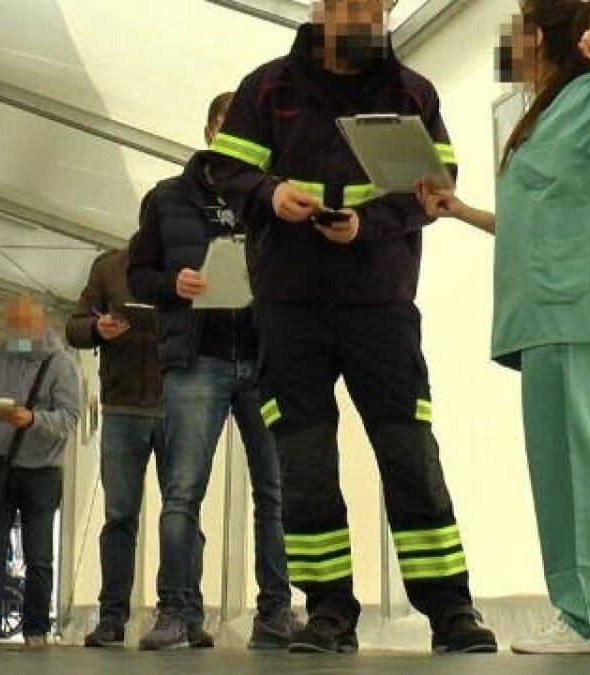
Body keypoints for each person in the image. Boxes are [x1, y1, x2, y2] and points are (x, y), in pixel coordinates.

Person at [203, 0, 497, 654]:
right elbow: (227, 170)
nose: (363, 16)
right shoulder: (267, 88)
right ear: (320, 8)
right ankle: (328, 610)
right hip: (289, 305)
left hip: (380, 303)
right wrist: (272, 196)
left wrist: (371, 224)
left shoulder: (412, 92)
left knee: (410, 453)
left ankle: (451, 608)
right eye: (349, 4)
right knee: (304, 462)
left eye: (375, 5)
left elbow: (437, 184)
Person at [415, 0, 590, 654]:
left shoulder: (588, 94)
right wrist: (462, 210)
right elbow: (534, 221)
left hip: (568, 308)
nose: (510, 40)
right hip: (560, 308)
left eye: (520, 27)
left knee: (567, 461)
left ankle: (588, 616)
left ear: (544, 36)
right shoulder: (549, 111)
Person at [127, 93, 299, 651]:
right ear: (208, 131)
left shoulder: (275, 198)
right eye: (227, 129)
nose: (236, 140)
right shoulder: (167, 200)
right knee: (182, 490)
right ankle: (177, 612)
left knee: (276, 492)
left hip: (266, 359)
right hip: (197, 359)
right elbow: (137, 276)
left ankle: (275, 612)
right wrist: (171, 284)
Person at [0, 295, 80, 648]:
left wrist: (33, 419)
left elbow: (69, 418)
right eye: (12, 325)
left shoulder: (61, 363)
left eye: (24, 325)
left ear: (40, 324)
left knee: (39, 555)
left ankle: (36, 630)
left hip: (42, 470)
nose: (17, 332)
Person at [66, 248, 163, 648]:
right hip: (121, 407)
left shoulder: (190, 260)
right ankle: (112, 617)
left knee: (181, 514)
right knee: (120, 515)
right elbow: (73, 325)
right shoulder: (108, 266)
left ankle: (182, 613)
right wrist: (96, 328)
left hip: (180, 401)